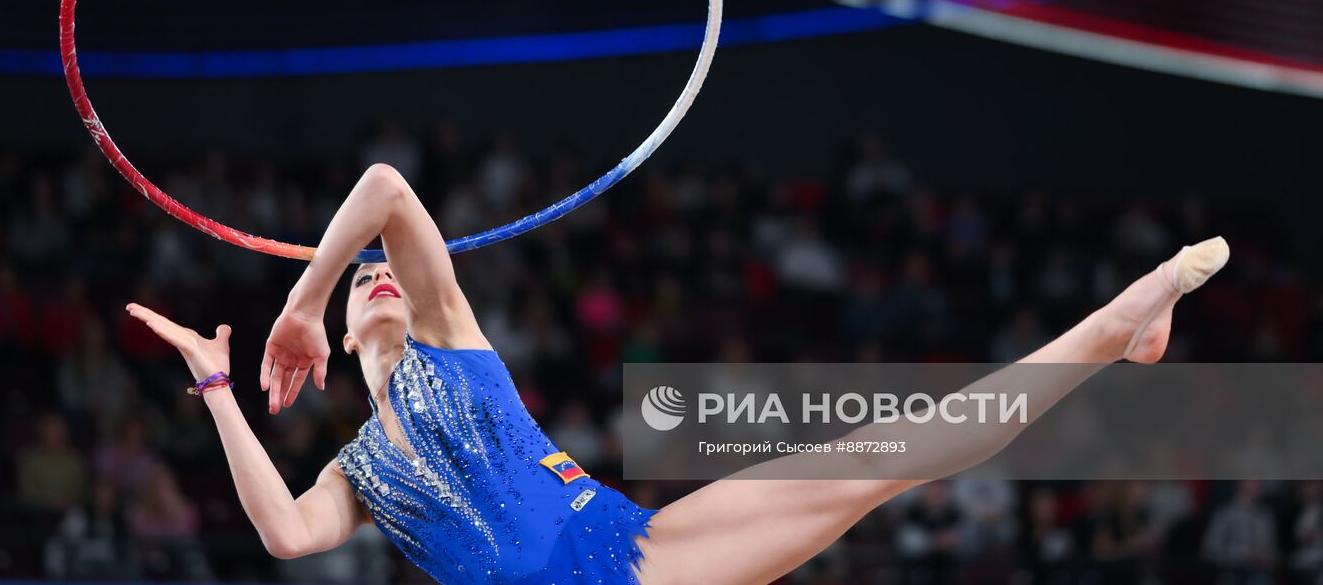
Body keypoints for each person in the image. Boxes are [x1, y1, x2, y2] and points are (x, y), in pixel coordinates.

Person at [128, 164, 1230, 585]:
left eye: (383, 276)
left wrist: (304, 297)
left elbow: (382, 189)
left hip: (631, 550)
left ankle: (1117, 320)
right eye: (368, 279)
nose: (381, 276)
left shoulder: (454, 334)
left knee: (881, 457)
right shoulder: (359, 469)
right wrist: (220, 389)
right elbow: (281, 534)